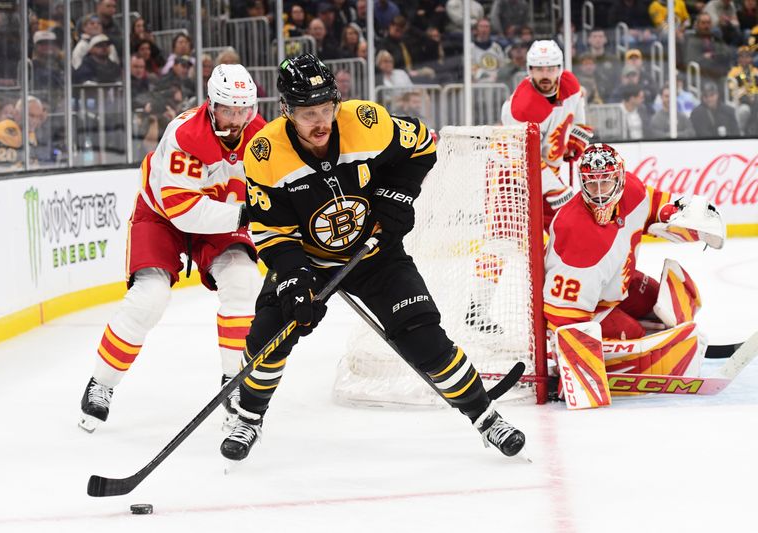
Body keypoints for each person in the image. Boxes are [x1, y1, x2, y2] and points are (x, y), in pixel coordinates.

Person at [220, 53, 526, 463]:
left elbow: (421, 144)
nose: (321, 121)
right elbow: (272, 231)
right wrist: (294, 279)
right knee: (268, 337)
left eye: (327, 108)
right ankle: (248, 416)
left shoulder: (365, 121)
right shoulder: (263, 153)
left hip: (375, 252)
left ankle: (486, 417)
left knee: (424, 337)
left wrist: (397, 195)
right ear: (286, 111)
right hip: (308, 262)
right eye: (309, 112)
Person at [78, 64, 267, 432]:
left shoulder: (263, 137)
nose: (235, 119)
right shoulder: (185, 134)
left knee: (244, 282)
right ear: (211, 105)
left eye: (243, 110)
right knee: (150, 296)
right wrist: (247, 214)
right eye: (228, 109)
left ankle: (234, 384)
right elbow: (185, 212)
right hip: (163, 213)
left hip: (225, 212)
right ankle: (101, 382)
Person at [543, 143, 723, 385]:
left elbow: (657, 205)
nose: (598, 193)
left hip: (616, 282)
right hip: (589, 308)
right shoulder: (576, 233)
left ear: (620, 179)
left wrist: (684, 219)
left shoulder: (632, 191)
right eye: (591, 183)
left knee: (661, 298)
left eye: (604, 182)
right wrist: (573, 365)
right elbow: (563, 317)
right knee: (636, 337)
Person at [501, 40, 592, 230]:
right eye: (539, 69)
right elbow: (523, 156)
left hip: (546, 171)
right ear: (529, 70)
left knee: (566, 230)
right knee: (516, 235)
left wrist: (576, 137)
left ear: (559, 69)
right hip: (513, 179)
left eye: (550, 69)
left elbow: (577, 106)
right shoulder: (521, 109)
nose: (545, 75)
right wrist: (554, 188)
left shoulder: (570, 84)